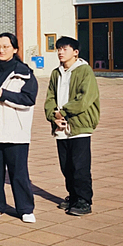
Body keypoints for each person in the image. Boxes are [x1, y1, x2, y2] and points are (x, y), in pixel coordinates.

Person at [0, 32, 38, 222]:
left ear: (15, 49)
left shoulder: (24, 73)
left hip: (15, 130)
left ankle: (25, 208)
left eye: (6, 46)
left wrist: (4, 94)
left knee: (19, 172)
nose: (1, 50)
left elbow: (28, 99)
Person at [43, 36, 100, 216]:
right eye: (58, 49)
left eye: (65, 49)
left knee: (80, 166)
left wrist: (64, 112)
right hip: (61, 125)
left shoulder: (84, 71)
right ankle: (73, 196)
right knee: (66, 165)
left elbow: (85, 98)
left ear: (75, 52)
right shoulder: (56, 73)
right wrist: (53, 115)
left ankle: (84, 200)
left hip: (79, 125)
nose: (60, 52)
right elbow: (50, 97)